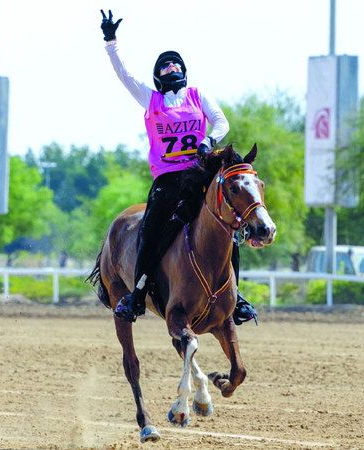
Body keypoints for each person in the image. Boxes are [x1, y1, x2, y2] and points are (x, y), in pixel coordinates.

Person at [99, 9, 257, 325]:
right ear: (159, 75)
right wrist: (111, 42)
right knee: (151, 230)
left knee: (228, 228)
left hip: (198, 175)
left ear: (183, 72)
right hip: (167, 179)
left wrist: (208, 141)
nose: (171, 70)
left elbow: (221, 122)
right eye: (165, 67)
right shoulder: (151, 99)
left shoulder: (199, 96)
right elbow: (124, 76)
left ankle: (235, 297)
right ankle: (137, 295)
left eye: (175, 66)